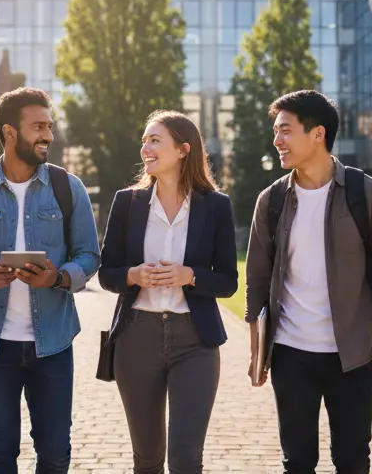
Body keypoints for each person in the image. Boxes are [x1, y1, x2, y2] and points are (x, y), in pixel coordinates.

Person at [244, 90, 372, 474]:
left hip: (350, 355)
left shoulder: (365, 193)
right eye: (275, 131)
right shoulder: (270, 201)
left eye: (285, 131)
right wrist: (257, 352)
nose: (277, 141)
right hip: (289, 353)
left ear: (317, 133)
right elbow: (256, 280)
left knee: (352, 461)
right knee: (297, 462)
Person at [0, 87, 101, 473]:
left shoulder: (68, 188)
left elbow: (90, 255)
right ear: (10, 132)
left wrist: (59, 278)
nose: (48, 134)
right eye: (38, 126)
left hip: (53, 345)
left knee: (54, 454)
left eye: (50, 125)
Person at [99, 110, 239, 474]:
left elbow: (227, 281)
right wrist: (133, 275)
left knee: (186, 458)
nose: (145, 147)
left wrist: (189, 275)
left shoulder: (216, 206)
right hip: (136, 339)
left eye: (155, 140)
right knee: (146, 458)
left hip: (196, 341)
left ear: (183, 149)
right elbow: (107, 274)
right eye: (144, 140)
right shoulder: (127, 202)